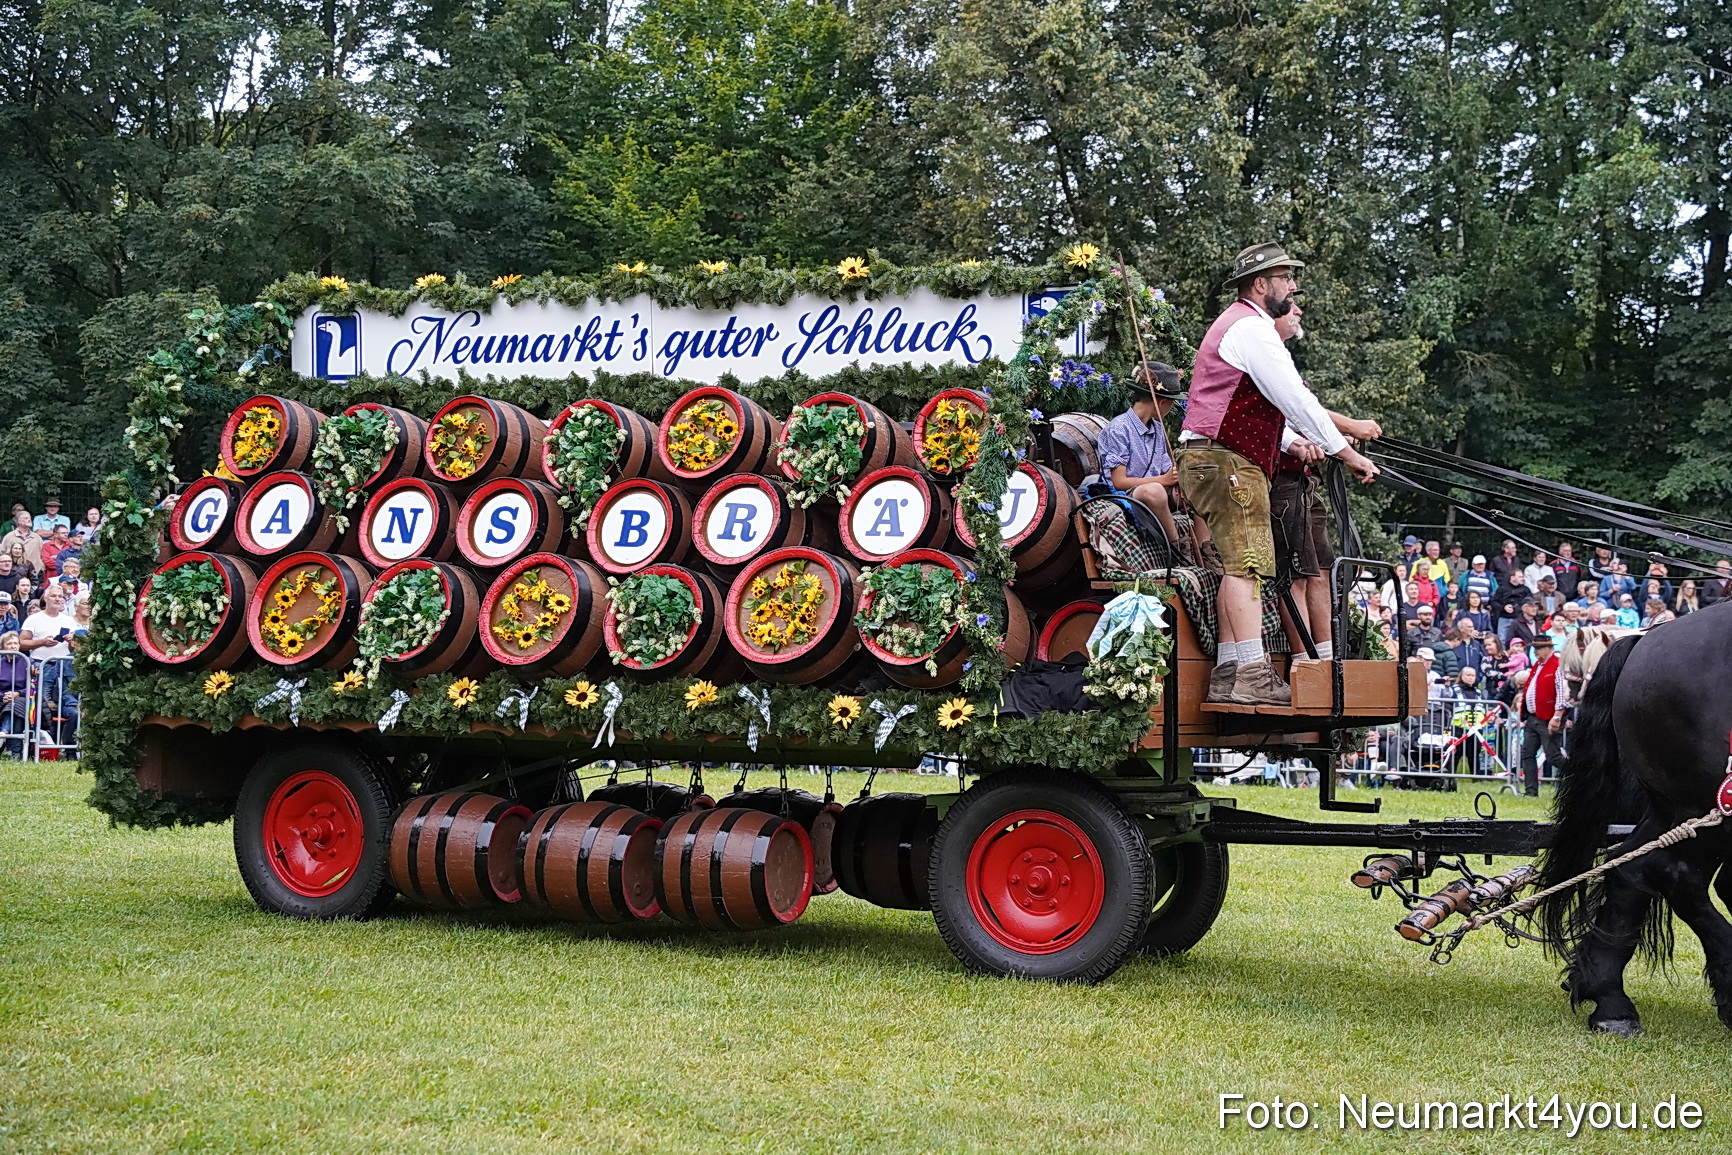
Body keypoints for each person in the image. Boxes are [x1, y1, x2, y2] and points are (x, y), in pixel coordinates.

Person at [1176, 241, 1378, 704]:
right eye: (1286, 278)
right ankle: (1250, 672)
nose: (1293, 286)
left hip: (1214, 458)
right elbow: (1295, 399)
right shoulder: (1252, 327)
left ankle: (1230, 671)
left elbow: (1274, 410)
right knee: (1248, 568)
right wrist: (1347, 453)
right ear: (1260, 284)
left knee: (1238, 567)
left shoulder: (1241, 325)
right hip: (1226, 462)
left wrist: (1301, 442)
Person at [1266, 299, 1382, 657]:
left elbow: (1306, 414)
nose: (1299, 311)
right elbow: (1295, 413)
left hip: (1303, 480)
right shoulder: (1264, 358)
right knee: (1297, 575)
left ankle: (1328, 657)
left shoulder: (1282, 360)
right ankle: (1306, 664)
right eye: (1291, 306)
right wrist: (1349, 428)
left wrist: (1334, 442)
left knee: (1321, 570)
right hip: (1280, 480)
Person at [1099, 361, 1195, 555]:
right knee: (1155, 491)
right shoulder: (1119, 428)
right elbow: (1118, 482)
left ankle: (1206, 549)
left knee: (1196, 485)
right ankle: (1176, 548)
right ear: (1161, 401)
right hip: (1125, 495)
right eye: (1171, 401)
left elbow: (1165, 470)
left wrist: (1178, 481)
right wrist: (1163, 480)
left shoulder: (1157, 428)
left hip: (1157, 488)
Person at [1518, 634, 1568, 795]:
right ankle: (1530, 791)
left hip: (1549, 718)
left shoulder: (1557, 665)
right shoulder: (1537, 666)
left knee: (1553, 756)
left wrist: (1557, 716)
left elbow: (1562, 693)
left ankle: (1578, 774)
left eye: (1539, 648)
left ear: (1550, 648)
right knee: (1527, 753)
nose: (1536, 651)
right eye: (1535, 648)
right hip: (1533, 718)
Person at [20, 586, 78, 660]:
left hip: (63, 664)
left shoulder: (69, 620)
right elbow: (22, 643)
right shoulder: (32, 619)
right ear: (45, 598)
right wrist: (42, 642)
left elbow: (74, 648)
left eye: (60, 596)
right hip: (40, 663)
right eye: (53, 596)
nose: (57, 599)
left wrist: (72, 641)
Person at [0, 632, 29, 757]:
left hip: (22, 698)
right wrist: (3, 696)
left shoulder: (28, 662)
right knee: (13, 706)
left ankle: (4, 733)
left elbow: (33, 686)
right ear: (2, 647)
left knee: (16, 706)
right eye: (9, 643)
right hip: (2, 698)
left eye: (15, 643)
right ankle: (15, 752)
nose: (13, 646)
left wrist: (17, 693)